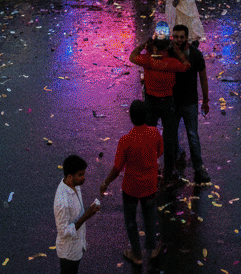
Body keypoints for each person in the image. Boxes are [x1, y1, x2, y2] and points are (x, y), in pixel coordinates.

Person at [99, 99, 164, 265]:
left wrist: (106, 182)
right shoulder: (155, 133)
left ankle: (136, 254)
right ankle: (152, 249)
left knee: (130, 220)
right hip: (150, 186)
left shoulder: (125, 140)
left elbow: (117, 168)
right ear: (146, 115)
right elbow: (159, 152)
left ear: (131, 117)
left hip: (131, 188)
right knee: (150, 218)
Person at [128, 34, 190, 184]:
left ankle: (149, 168)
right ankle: (169, 172)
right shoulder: (171, 62)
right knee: (169, 139)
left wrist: (144, 44)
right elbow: (186, 65)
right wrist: (176, 49)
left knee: (148, 137)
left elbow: (132, 56)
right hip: (167, 102)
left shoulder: (148, 60)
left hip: (150, 102)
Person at [167, 24, 212, 185]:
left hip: (189, 101)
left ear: (186, 37)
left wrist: (205, 100)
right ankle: (174, 167)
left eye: (181, 37)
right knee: (172, 136)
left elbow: (203, 77)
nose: (178, 40)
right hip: (173, 101)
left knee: (192, 135)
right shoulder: (168, 52)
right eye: (176, 37)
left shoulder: (195, 54)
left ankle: (198, 166)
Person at [54, 154, 100, 274]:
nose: (84, 178)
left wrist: (89, 211)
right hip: (69, 252)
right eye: (80, 175)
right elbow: (63, 232)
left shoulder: (74, 185)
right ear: (70, 177)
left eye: (84, 174)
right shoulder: (62, 202)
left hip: (77, 245)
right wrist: (86, 216)